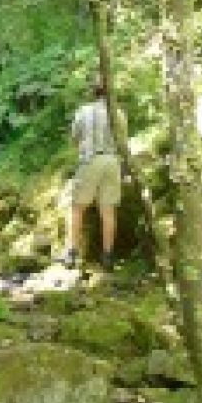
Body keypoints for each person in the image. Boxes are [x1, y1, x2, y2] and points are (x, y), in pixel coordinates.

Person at [63, 82, 128, 270]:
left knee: (77, 207)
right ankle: (107, 256)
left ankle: (71, 252)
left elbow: (75, 138)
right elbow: (123, 142)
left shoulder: (83, 111)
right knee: (108, 211)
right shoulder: (119, 114)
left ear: (94, 93)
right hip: (113, 162)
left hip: (90, 159)